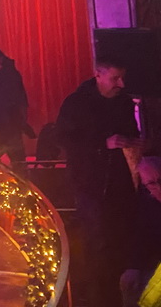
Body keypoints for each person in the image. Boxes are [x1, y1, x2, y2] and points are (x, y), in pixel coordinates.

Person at [56, 54, 142, 307]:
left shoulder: (124, 102)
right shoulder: (76, 103)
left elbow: (130, 131)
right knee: (97, 241)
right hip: (89, 182)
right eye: (115, 78)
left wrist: (133, 142)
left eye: (122, 78)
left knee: (119, 238)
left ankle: (116, 294)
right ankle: (97, 297)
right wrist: (102, 145)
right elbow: (62, 139)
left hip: (120, 180)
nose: (121, 84)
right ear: (98, 74)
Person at [122, 156, 161, 306]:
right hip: (155, 263)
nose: (159, 187)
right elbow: (142, 237)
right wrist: (134, 267)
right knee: (129, 283)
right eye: (152, 183)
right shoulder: (148, 204)